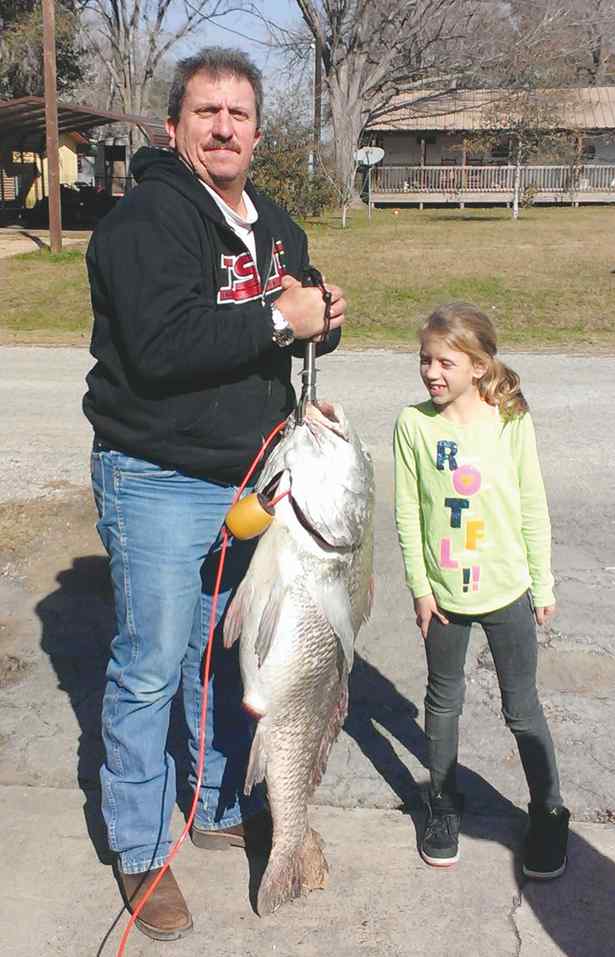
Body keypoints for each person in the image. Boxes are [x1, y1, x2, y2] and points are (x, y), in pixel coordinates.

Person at [84, 46, 346, 941]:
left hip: (250, 480)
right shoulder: (147, 220)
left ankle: (215, 802)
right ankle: (139, 846)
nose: (224, 127)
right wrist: (279, 317)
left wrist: (321, 319)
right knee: (152, 665)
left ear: (258, 133)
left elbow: (292, 323)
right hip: (156, 476)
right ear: (175, 126)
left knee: (226, 654)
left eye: (239, 114)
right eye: (207, 112)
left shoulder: (274, 222)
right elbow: (161, 346)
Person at [393, 302, 570, 879]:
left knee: (522, 709)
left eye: (445, 362)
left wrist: (541, 583)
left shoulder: (510, 419)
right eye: (425, 360)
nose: (431, 372)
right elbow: (408, 513)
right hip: (445, 599)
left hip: (508, 592)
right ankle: (442, 802)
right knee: (442, 704)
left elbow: (532, 504)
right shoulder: (414, 425)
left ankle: (549, 810)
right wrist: (421, 588)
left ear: (478, 365)